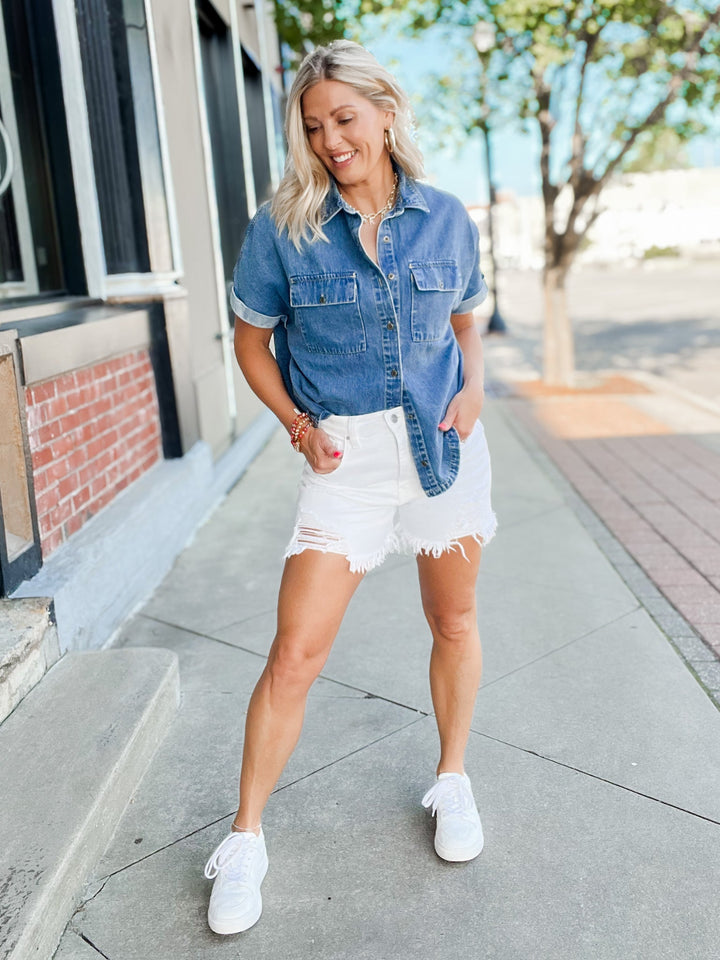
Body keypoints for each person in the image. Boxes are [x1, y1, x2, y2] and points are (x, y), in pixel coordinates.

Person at [202, 39, 497, 936]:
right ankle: (244, 839)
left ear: (385, 112)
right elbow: (252, 341)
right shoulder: (282, 228)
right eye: (315, 125)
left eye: (346, 119)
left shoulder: (447, 216)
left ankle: (452, 780)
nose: (332, 140)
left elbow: (464, 317)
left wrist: (475, 386)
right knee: (295, 654)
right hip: (347, 458)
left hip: (444, 449)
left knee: (453, 621)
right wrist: (296, 424)